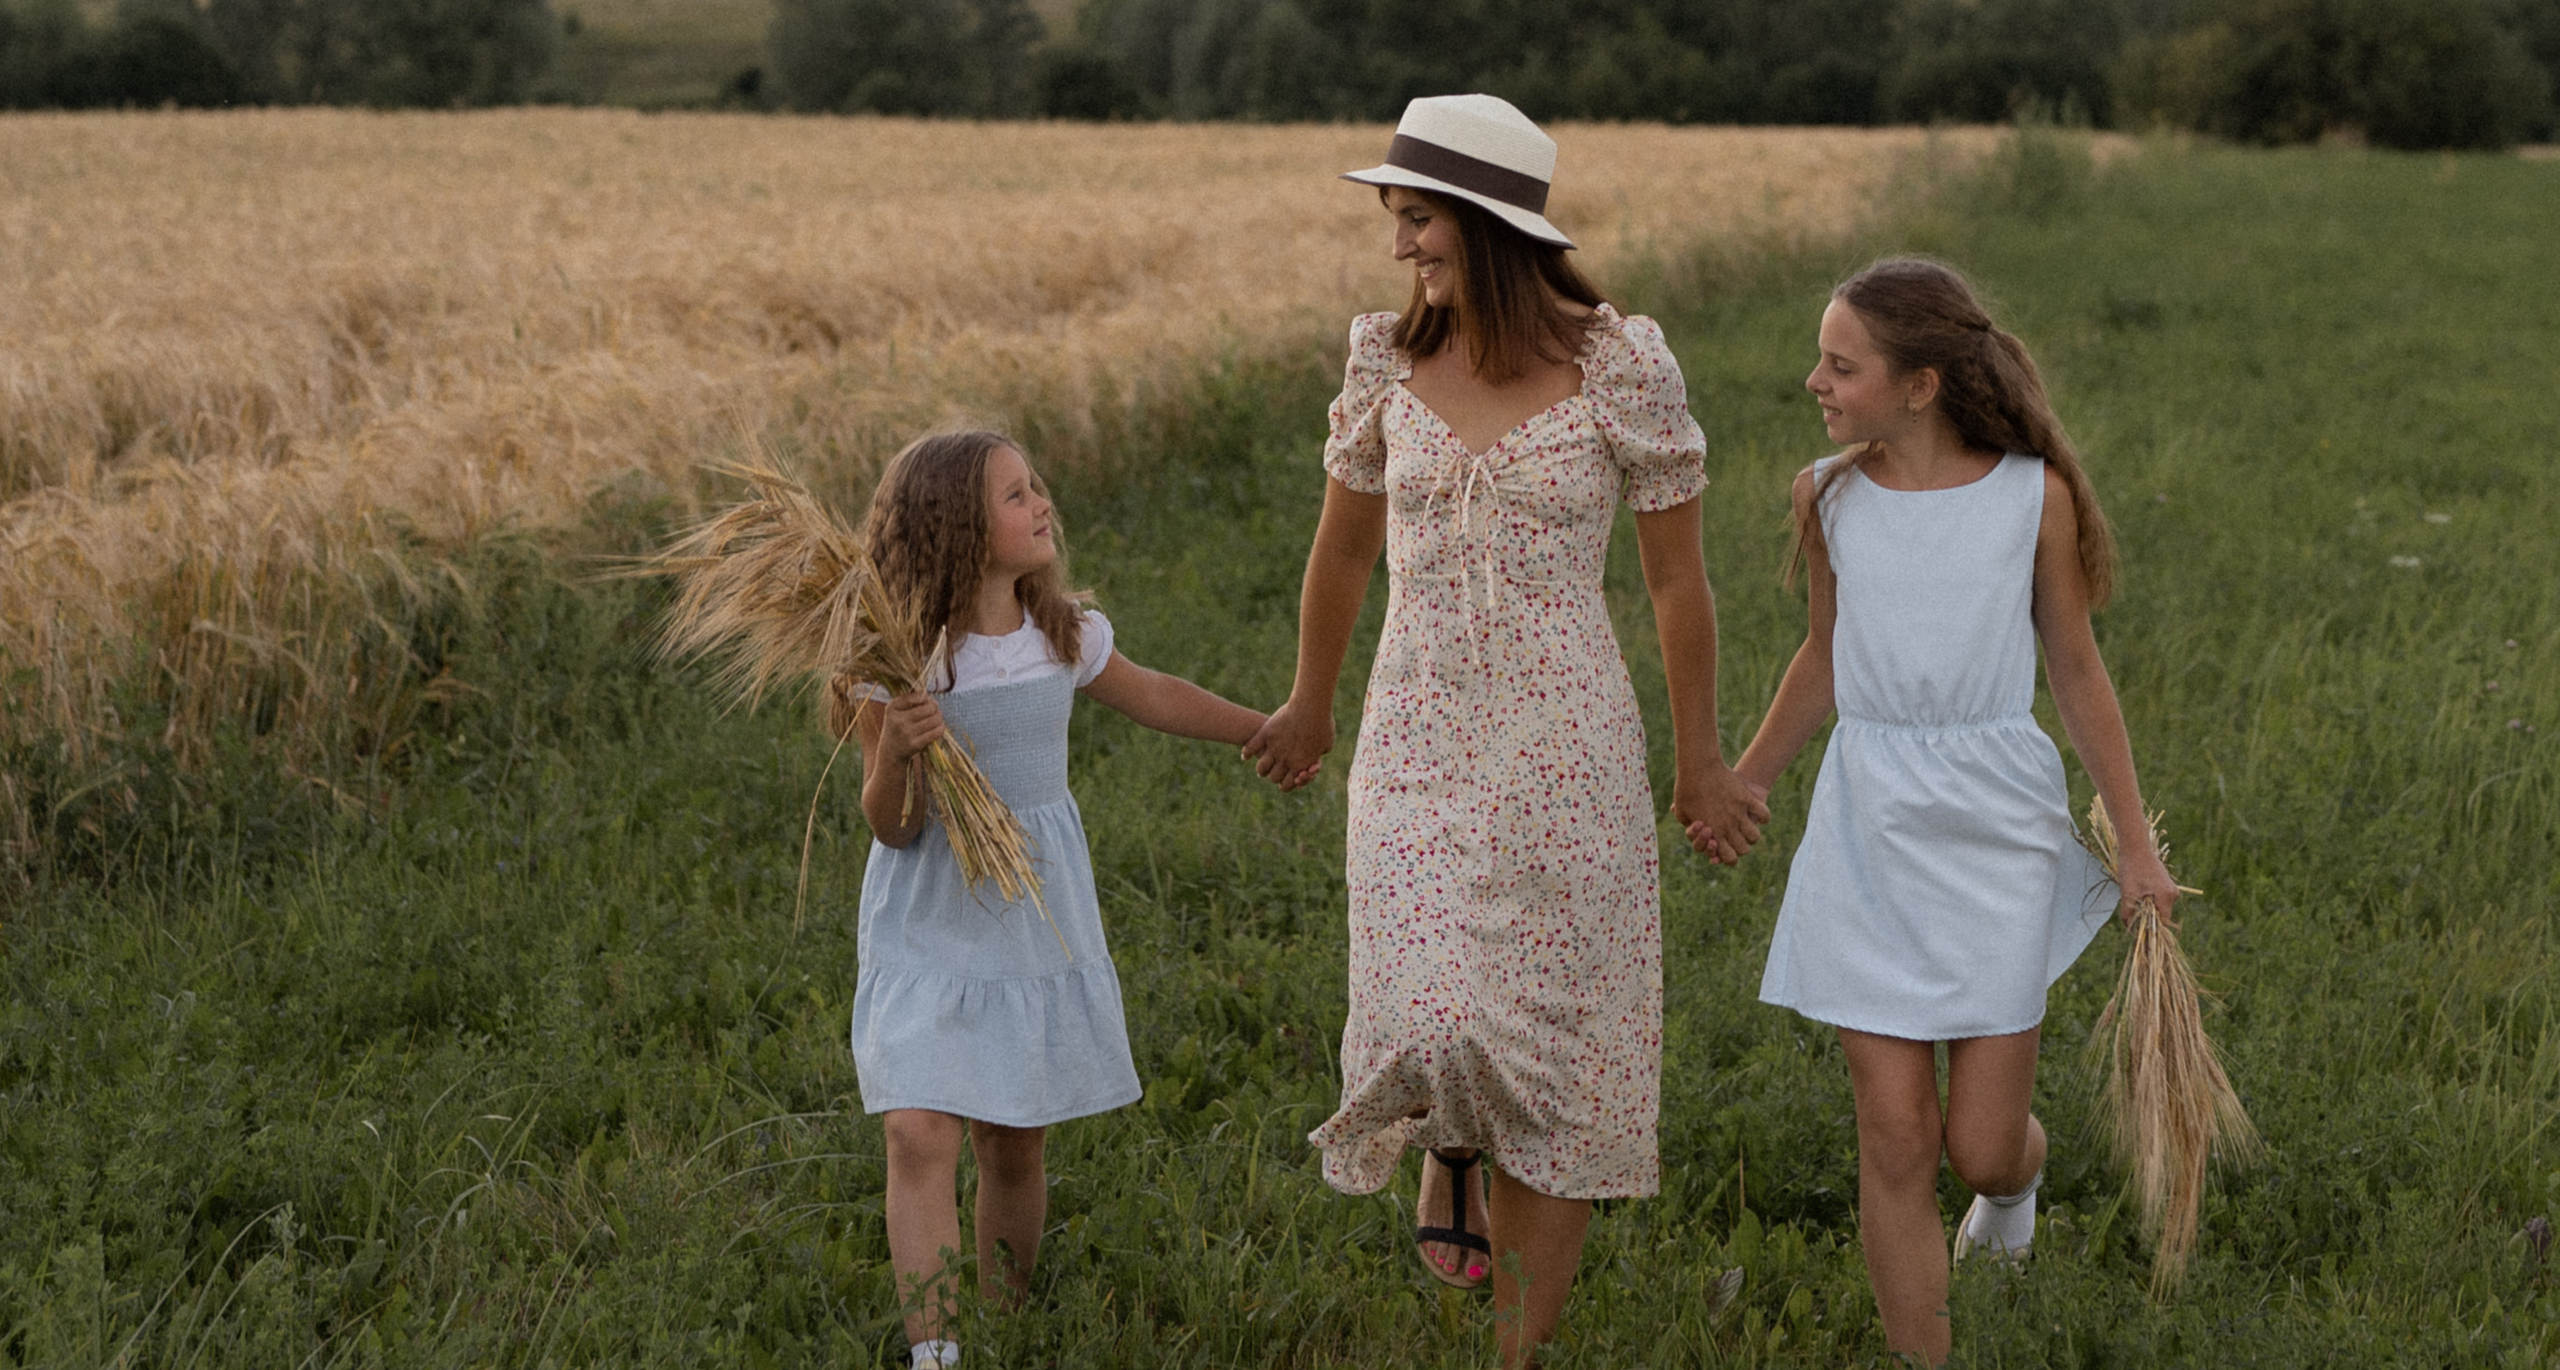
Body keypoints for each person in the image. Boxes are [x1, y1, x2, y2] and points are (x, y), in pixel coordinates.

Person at [1247, 93, 1767, 1370]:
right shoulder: (1385, 360)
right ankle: (1448, 1141)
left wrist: (1702, 760)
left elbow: (1675, 585)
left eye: (1416, 221)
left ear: (1482, 225)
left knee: (1553, 1040)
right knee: (1432, 1012)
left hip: (1564, 739)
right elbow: (1343, 547)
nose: (1398, 249)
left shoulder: (1623, 368)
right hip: (1416, 730)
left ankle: (1513, 1353)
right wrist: (1308, 698)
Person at [1725, 256, 2180, 1366]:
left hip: (1995, 827)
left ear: (1919, 383)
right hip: (1868, 824)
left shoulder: (2033, 496)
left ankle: (2016, 1198)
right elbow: (1824, 655)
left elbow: (2075, 668)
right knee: (1894, 1136)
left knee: (1978, 1147)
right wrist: (1748, 776)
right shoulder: (1824, 493)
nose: (1813, 382)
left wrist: (2130, 846)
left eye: (1841, 364)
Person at [845, 428, 1274, 1370]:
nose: (1042, 505)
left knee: (1013, 1141)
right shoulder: (901, 657)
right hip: (933, 915)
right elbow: (889, 823)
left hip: (1030, 913)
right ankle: (938, 1355)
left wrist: (1266, 729)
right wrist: (905, 748)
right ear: (957, 527)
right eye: (1015, 495)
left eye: (1035, 488)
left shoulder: (1061, 632)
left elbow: (1155, 693)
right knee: (919, 1131)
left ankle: (1003, 1317)